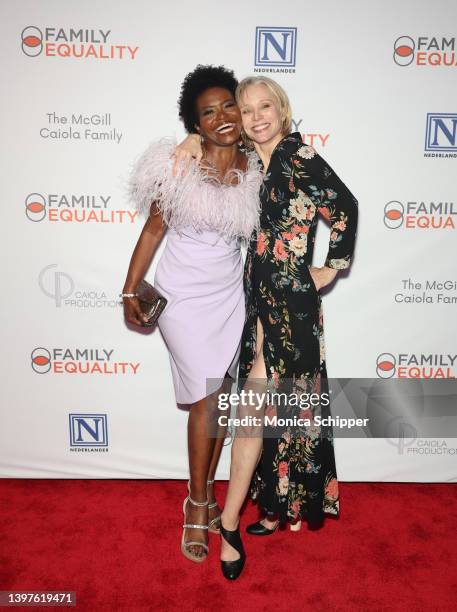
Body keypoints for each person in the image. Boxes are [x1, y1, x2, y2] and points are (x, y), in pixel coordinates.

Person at [173, 75, 358, 579]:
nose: (255, 117)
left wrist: (331, 264)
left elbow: (345, 205)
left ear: (282, 110)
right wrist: (190, 137)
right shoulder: (252, 160)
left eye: (265, 107)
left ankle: (229, 523)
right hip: (255, 300)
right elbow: (206, 147)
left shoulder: (300, 158)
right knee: (276, 409)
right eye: (246, 108)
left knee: (254, 411)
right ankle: (275, 506)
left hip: (291, 305)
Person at [121, 65, 263, 564]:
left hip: (231, 297)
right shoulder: (179, 165)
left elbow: (289, 134)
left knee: (220, 401)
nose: (222, 116)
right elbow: (154, 231)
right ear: (195, 123)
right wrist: (129, 288)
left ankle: (199, 491)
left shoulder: (258, 162)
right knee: (207, 400)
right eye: (208, 112)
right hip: (183, 299)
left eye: (229, 106)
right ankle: (198, 504)